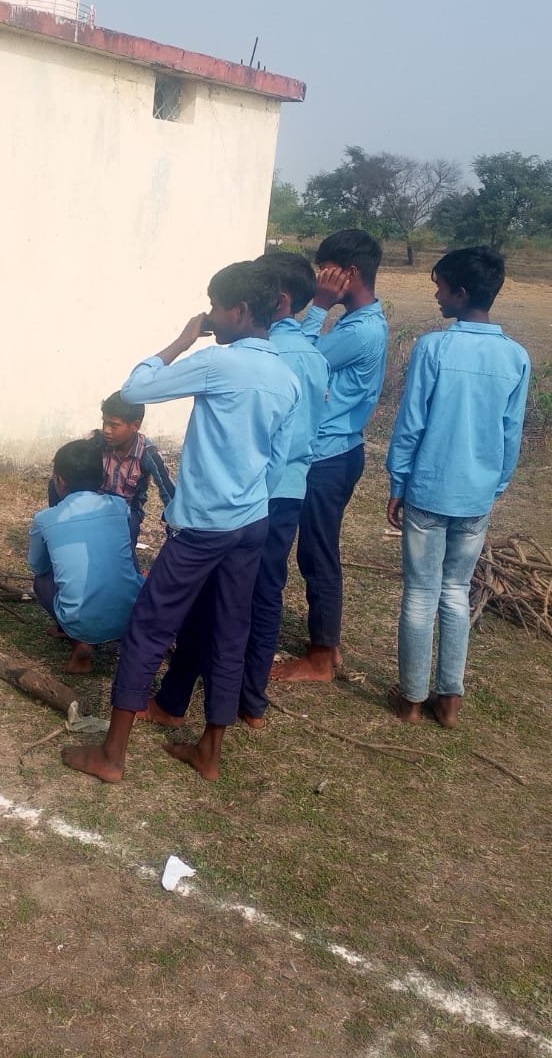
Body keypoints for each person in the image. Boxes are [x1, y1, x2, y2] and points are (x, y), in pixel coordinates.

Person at [61, 262, 299, 783]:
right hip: (251, 521)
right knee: (230, 630)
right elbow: (277, 462)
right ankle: (209, 753)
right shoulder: (286, 376)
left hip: (202, 526)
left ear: (238, 311)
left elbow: (135, 388)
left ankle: (112, 755)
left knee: (149, 625)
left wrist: (183, 339)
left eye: (215, 307)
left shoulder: (218, 362)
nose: (210, 316)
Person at [144, 250, 330, 729]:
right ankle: (250, 704)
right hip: (280, 494)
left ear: (270, 301)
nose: (212, 313)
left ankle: (175, 698)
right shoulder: (312, 355)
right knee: (260, 598)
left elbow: (138, 388)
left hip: (234, 502)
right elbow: (300, 438)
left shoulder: (240, 358)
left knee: (203, 604)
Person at [385, 246, 531, 727]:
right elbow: (512, 431)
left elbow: (411, 423)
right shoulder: (516, 357)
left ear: (461, 293)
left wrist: (397, 480)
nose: (436, 295)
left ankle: (409, 699)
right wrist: (499, 483)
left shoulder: (434, 347)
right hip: (476, 496)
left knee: (421, 594)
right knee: (455, 590)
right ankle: (449, 700)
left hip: (428, 489)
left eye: (441, 287)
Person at [272, 229, 388, 683]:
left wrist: (317, 305)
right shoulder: (363, 322)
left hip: (328, 455)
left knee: (317, 554)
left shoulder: (358, 331)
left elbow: (297, 360)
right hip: (337, 450)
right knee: (318, 551)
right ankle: (328, 645)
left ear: (348, 273)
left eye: (327, 269)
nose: (321, 276)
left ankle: (320, 657)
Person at [29, 439, 145, 674]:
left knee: (41, 581)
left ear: (60, 480)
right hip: (132, 612)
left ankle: (80, 642)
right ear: (101, 478)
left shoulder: (45, 519)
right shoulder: (120, 506)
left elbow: (37, 566)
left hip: (81, 622)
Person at [47, 392, 176, 549]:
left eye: (114, 425)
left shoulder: (147, 453)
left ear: (135, 425)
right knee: (55, 483)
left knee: (123, 546)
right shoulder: (96, 443)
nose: (107, 430)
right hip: (94, 504)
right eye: (105, 423)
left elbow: (168, 491)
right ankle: (57, 533)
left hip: (127, 513)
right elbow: (70, 468)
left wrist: (178, 523)